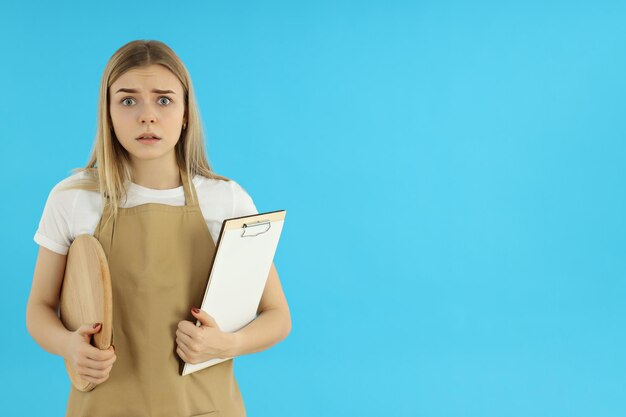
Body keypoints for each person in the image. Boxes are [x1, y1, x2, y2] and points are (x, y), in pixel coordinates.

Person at [25, 39, 292, 417]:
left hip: (205, 406)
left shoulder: (228, 201)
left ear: (185, 113)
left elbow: (278, 316)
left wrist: (226, 345)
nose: (147, 116)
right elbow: (38, 309)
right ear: (108, 112)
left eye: (164, 100)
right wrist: (69, 345)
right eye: (128, 100)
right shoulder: (71, 198)